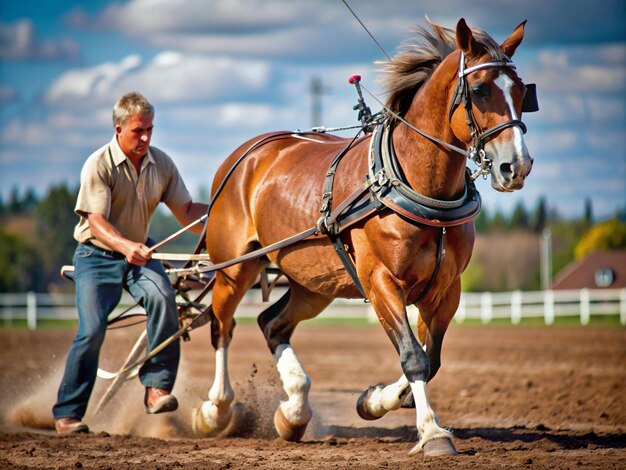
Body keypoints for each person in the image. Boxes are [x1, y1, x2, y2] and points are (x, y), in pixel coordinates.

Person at [52, 92, 208, 436]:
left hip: (141, 253)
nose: (146, 138)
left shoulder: (162, 164)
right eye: (139, 131)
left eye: (150, 129)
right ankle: (68, 413)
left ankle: (157, 388)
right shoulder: (99, 163)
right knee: (91, 330)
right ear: (119, 128)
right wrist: (125, 246)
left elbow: (186, 213)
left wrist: (224, 221)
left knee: (163, 298)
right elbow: (96, 222)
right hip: (97, 255)